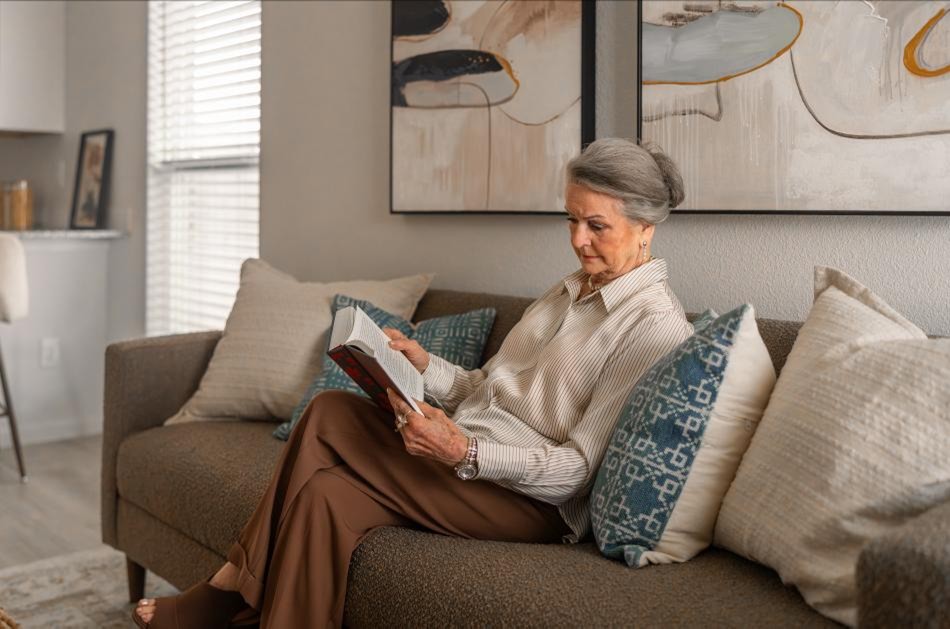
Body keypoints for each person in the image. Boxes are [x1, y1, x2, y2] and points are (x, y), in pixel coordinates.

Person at [132, 138, 694, 628]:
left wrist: (464, 450)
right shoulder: (571, 288)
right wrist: (426, 366)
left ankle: (225, 591)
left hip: (528, 500)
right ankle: (237, 598)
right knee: (325, 495)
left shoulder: (653, 326)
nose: (578, 239)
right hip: (467, 454)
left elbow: (577, 471)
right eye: (571, 219)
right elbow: (487, 387)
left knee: (329, 414)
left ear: (645, 228)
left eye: (597, 225)